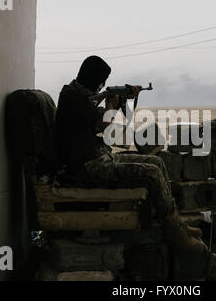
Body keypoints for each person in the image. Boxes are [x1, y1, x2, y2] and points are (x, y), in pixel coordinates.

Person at [55, 55, 207, 255]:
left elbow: (95, 117)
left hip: (98, 158)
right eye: (101, 80)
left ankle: (176, 224)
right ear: (93, 77)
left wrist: (120, 102)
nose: (102, 85)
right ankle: (174, 233)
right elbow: (105, 126)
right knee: (152, 173)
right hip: (89, 167)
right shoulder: (73, 97)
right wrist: (111, 103)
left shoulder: (78, 95)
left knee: (156, 161)